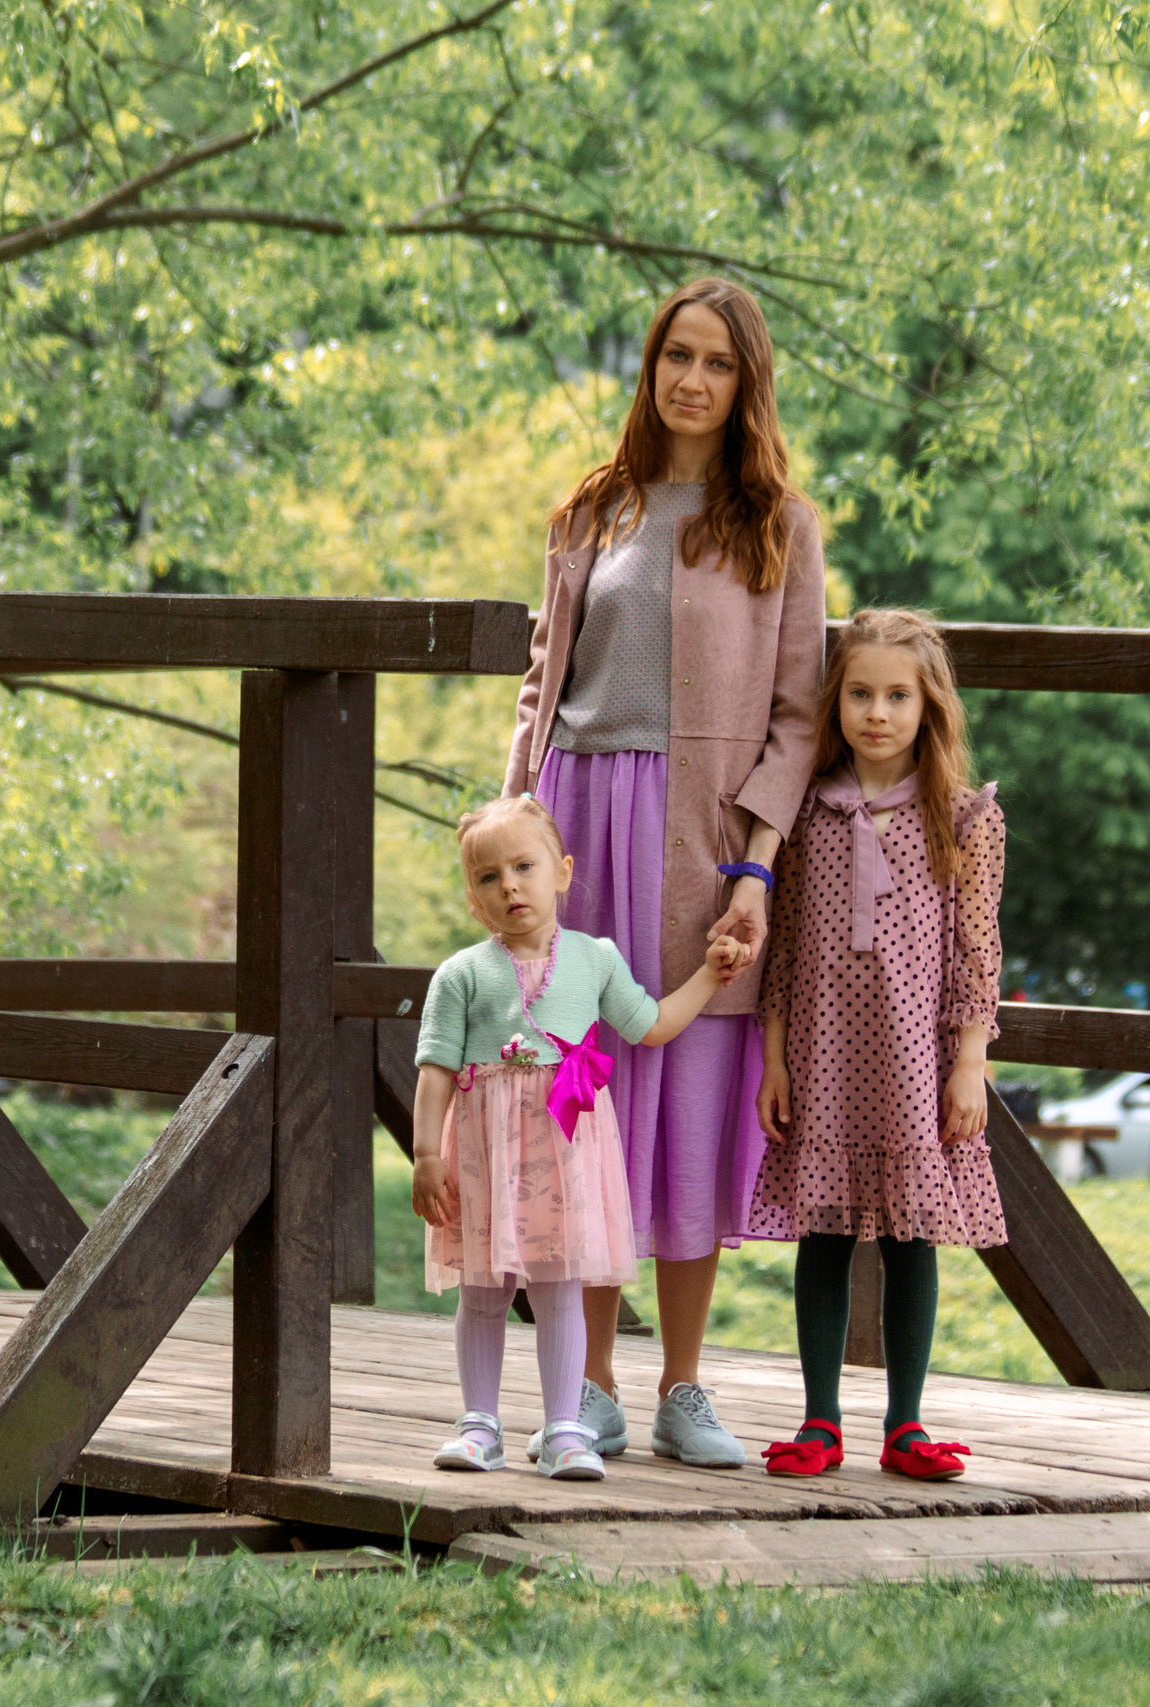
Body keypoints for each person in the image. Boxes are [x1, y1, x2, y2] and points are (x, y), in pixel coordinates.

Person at [506, 276, 827, 1469]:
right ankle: (584, 1386)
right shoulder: (592, 511)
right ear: (649, 370)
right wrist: (512, 833)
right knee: (585, 1103)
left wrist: (755, 865)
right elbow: (542, 687)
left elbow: (799, 718)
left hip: (705, 844)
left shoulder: (779, 526)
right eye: (673, 357)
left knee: (689, 1103)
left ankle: (682, 1390)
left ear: (748, 384)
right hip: (582, 823)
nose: (690, 379)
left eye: (717, 363)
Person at [411, 796, 748, 1480]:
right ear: (473, 898)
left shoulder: (594, 959)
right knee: (484, 1289)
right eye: (487, 876)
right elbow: (437, 1070)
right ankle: (479, 1423)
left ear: (561, 872)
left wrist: (711, 976)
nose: (508, 885)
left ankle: (566, 1425)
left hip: (562, 1155)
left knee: (559, 1288)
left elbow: (650, 1024)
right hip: (484, 1155)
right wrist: (425, 1154)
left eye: (524, 866)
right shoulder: (463, 974)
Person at [750, 609, 1007, 1482]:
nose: (878, 712)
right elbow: (781, 948)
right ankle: (821, 1417)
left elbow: (979, 950)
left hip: (915, 1064)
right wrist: (776, 1056)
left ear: (929, 707)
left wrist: (969, 1059)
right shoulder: (804, 816)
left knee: (910, 1237)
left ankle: (906, 1421)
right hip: (821, 1058)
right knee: (822, 1232)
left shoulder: (963, 818)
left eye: (898, 696)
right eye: (860, 692)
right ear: (837, 700)